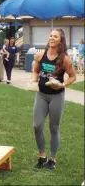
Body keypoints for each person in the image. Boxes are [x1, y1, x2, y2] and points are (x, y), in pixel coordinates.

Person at [30, 28, 76, 170]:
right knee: (37, 126)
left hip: (57, 96)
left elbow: (73, 76)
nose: (51, 38)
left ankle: (53, 159)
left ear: (60, 41)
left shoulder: (65, 60)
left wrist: (61, 84)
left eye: (55, 36)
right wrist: (33, 80)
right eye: (50, 35)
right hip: (42, 95)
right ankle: (42, 157)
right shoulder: (40, 55)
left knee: (54, 128)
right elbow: (36, 70)